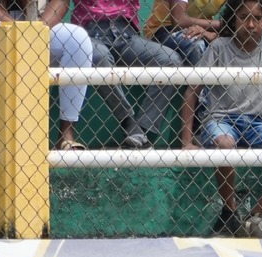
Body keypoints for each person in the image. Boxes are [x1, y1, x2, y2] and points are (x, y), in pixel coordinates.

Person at [184, 0, 262, 237]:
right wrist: (186, 140)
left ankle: (254, 217)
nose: (250, 24)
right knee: (225, 145)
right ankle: (230, 213)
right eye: (243, 17)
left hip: (256, 122)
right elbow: (192, 91)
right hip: (221, 118)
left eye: (258, 18)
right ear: (232, 19)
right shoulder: (219, 47)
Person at [0, 1, 101, 152]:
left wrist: (39, 28)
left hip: (38, 19)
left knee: (78, 38)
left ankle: (66, 136)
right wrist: (15, 28)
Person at [73, 0, 188, 149]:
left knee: (170, 61)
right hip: (89, 31)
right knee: (98, 57)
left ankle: (142, 133)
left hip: (126, 33)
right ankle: (128, 121)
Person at [145, 0, 224, 63]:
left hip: (207, 29)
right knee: (196, 44)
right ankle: (197, 82)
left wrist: (212, 34)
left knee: (228, 43)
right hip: (165, 29)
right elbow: (179, 21)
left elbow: (234, 23)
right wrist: (222, 25)